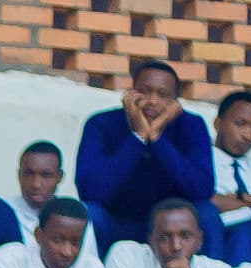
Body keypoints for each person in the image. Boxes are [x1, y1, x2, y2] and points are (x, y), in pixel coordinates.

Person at [77, 59, 213, 251]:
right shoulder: (101, 123)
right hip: (117, 222)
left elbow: (202, 188)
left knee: (207, 214)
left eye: (163, 94)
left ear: (175, 102)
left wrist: (157, 138)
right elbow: (90, 191)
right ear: (131, 93)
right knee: (90, 214)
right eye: (145, 91)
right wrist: (138, 137)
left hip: (171, 230)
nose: (152, 101)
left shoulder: (191, 125)